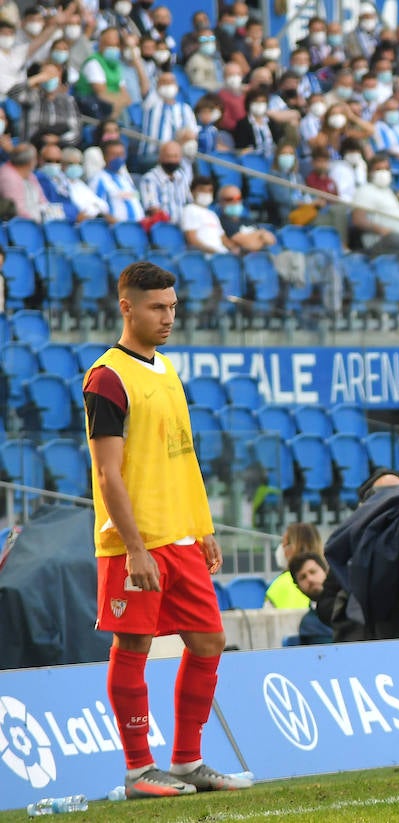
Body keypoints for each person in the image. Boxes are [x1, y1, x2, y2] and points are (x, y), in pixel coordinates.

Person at [82, 262, 252, 798]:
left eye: (173, 306)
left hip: (180, 537)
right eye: (157, 307)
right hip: (134, 544)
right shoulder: (107, 377)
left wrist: (202, 528)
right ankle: (137, 771)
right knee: (131, 646)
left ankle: (186, 760)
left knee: (209, 641)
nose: (168, 317)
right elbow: (108, 471)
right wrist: (134, 548)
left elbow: (182, 457)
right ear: (126, 306)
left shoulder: (167, 369)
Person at [265, 522, 321, 609]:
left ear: (295, 547)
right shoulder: (332, 577)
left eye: (285, 544)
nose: (281, 549)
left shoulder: (279, 585)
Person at [286, 551, 334, 644]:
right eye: (303, 577)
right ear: (298, 588)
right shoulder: (309, 625)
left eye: (313, 572)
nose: (310, 579)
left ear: (326, 571)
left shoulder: (349, 603)